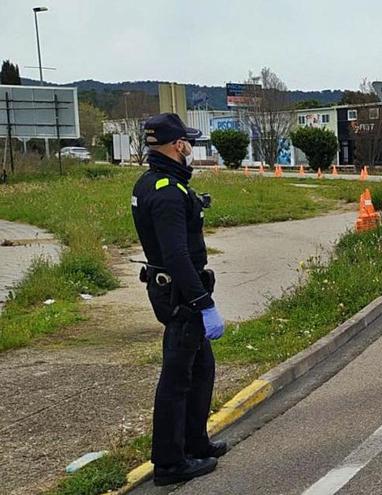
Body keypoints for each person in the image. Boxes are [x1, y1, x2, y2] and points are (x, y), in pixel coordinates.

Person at [131, 113, 227, 486]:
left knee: (201, 369)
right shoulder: (168, 192)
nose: (190, 147)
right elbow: (176, 255)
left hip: (176, 289)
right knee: (177, 378)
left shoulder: (149, 183)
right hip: (181, 292)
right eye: (187, 142)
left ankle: (195, 443)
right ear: (177, 146)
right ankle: (170, 463)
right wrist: (203, 303)